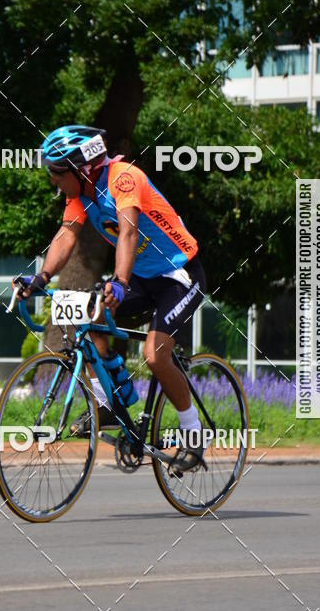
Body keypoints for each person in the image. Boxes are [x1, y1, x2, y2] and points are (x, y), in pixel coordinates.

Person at [18, 124, 207, 468]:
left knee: (154, 354)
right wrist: (42, 276)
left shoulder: (123, 178)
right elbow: (65, 235)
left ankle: (194, 435)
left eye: (57, 172)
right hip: (142, 277)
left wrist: (119, 280)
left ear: (80, 169)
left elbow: (129, 232)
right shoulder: (81, 196)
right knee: (90, 317)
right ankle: (107, 405)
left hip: (179, 275)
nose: (52, 180)